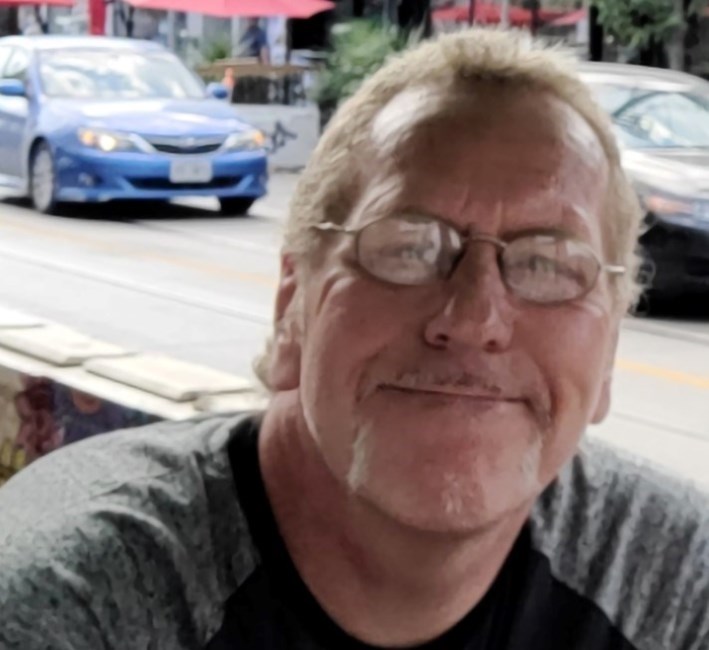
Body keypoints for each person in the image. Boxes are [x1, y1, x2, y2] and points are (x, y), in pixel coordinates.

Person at [1, 27, 708, 649]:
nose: (473, 319)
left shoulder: (679, 583)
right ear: (293, 307)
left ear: (608, 353)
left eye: (548, 263)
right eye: (408, 247)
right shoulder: (68, 597)